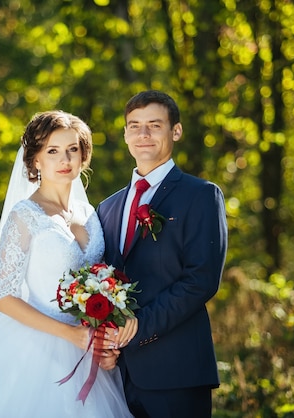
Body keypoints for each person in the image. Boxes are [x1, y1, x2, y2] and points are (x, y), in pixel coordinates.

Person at [0, 111, 134, 417]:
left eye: (72, 149)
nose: (65, 159)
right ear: (35, 160)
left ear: (83, 156)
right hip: (36, 350)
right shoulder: (24, 215)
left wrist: (101, 338)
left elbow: (100, 286)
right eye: (53, 151)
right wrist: (70, 335)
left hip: (87, 348)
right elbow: (4, 298)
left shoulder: (90, 213)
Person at [96, 90, 228, 418]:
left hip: (177, 370)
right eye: (135, 126)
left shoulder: (201, 196)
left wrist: (139, 325)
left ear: (176, 131)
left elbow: (201, 280)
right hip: (115, 376)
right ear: (125, 134)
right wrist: (107, 340)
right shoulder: (107, 208)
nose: (143, 135)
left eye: (155, 125)